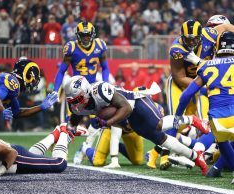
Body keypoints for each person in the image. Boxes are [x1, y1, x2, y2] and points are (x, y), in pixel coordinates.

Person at [63, 75, 210, 175]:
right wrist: (70, 129)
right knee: (161, 140)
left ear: (87, 91)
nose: (76, 103)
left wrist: (107, 122)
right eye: (73, 101)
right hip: (128, 117)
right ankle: (195, 156)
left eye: (78, 99)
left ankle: (192, 120)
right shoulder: (78, 105)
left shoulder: (100, 91)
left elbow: (125, 107)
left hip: (135, 103)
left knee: (158, 125)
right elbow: (74, 118)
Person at [0, 59, 58, 180]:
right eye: (33, 79)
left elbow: (17, 113)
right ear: (26, 75)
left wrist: (41, 107)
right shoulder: (13, 82)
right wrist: (2, 110)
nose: (33, 83)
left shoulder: (12, 84)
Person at [147, 19, 217, 170]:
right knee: (175, 120)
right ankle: (161, 155)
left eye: (194, 39)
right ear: (182, 36)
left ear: (201, 36)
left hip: (200, 83)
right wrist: (201, 86)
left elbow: (224, 28)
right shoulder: (177, 49)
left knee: (205, 121)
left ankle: (200, 152)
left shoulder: (211, 37)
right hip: (180, 84)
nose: (191, 42)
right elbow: (179, 77)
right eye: (188, 39)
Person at [175, 31, 234, 182]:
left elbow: (186, 95)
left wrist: (178, 115)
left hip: (217, 118)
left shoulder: (207, 66)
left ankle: (216, 169)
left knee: (222, 141)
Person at [53, 21, 110, 165]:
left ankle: (85, 148)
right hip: (77, 91)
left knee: (99, 121)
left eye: (88, 34)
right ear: (78, 35)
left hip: (93, 88)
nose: (86, 37)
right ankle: (61, 151)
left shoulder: (100, 46)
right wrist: (55, 91)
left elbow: (105, 67)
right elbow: (61, 71)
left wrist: (105, 83)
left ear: (92, 35)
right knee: (70, 124)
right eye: (83, 35)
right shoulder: (71, 48)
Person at [0, 123, 87, 176]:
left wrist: (1, 169)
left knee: (59, 164)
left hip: (15, 158)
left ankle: (64, 132)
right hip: (13, 158)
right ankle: (56, 133)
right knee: (32, 154)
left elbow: (12, 153)